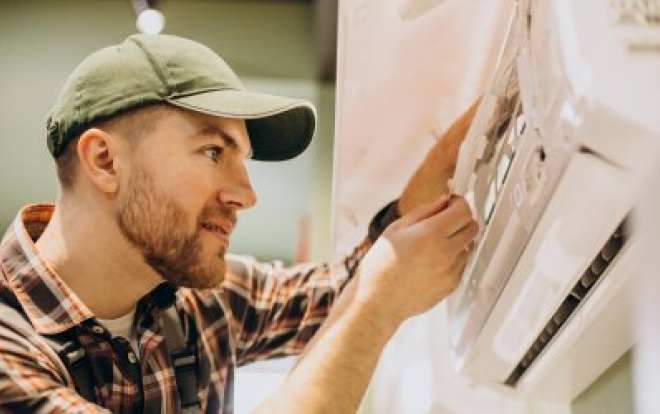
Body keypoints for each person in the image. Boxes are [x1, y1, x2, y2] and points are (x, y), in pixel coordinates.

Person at [0, 34, 478, 413]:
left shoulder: (197, 298)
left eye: (243, 160)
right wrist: (377, 310)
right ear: (104, 161)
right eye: (213, 152)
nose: (246, 196)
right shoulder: (10, 352)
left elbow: (346, 287)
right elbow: (365, 297)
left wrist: (454, 157)